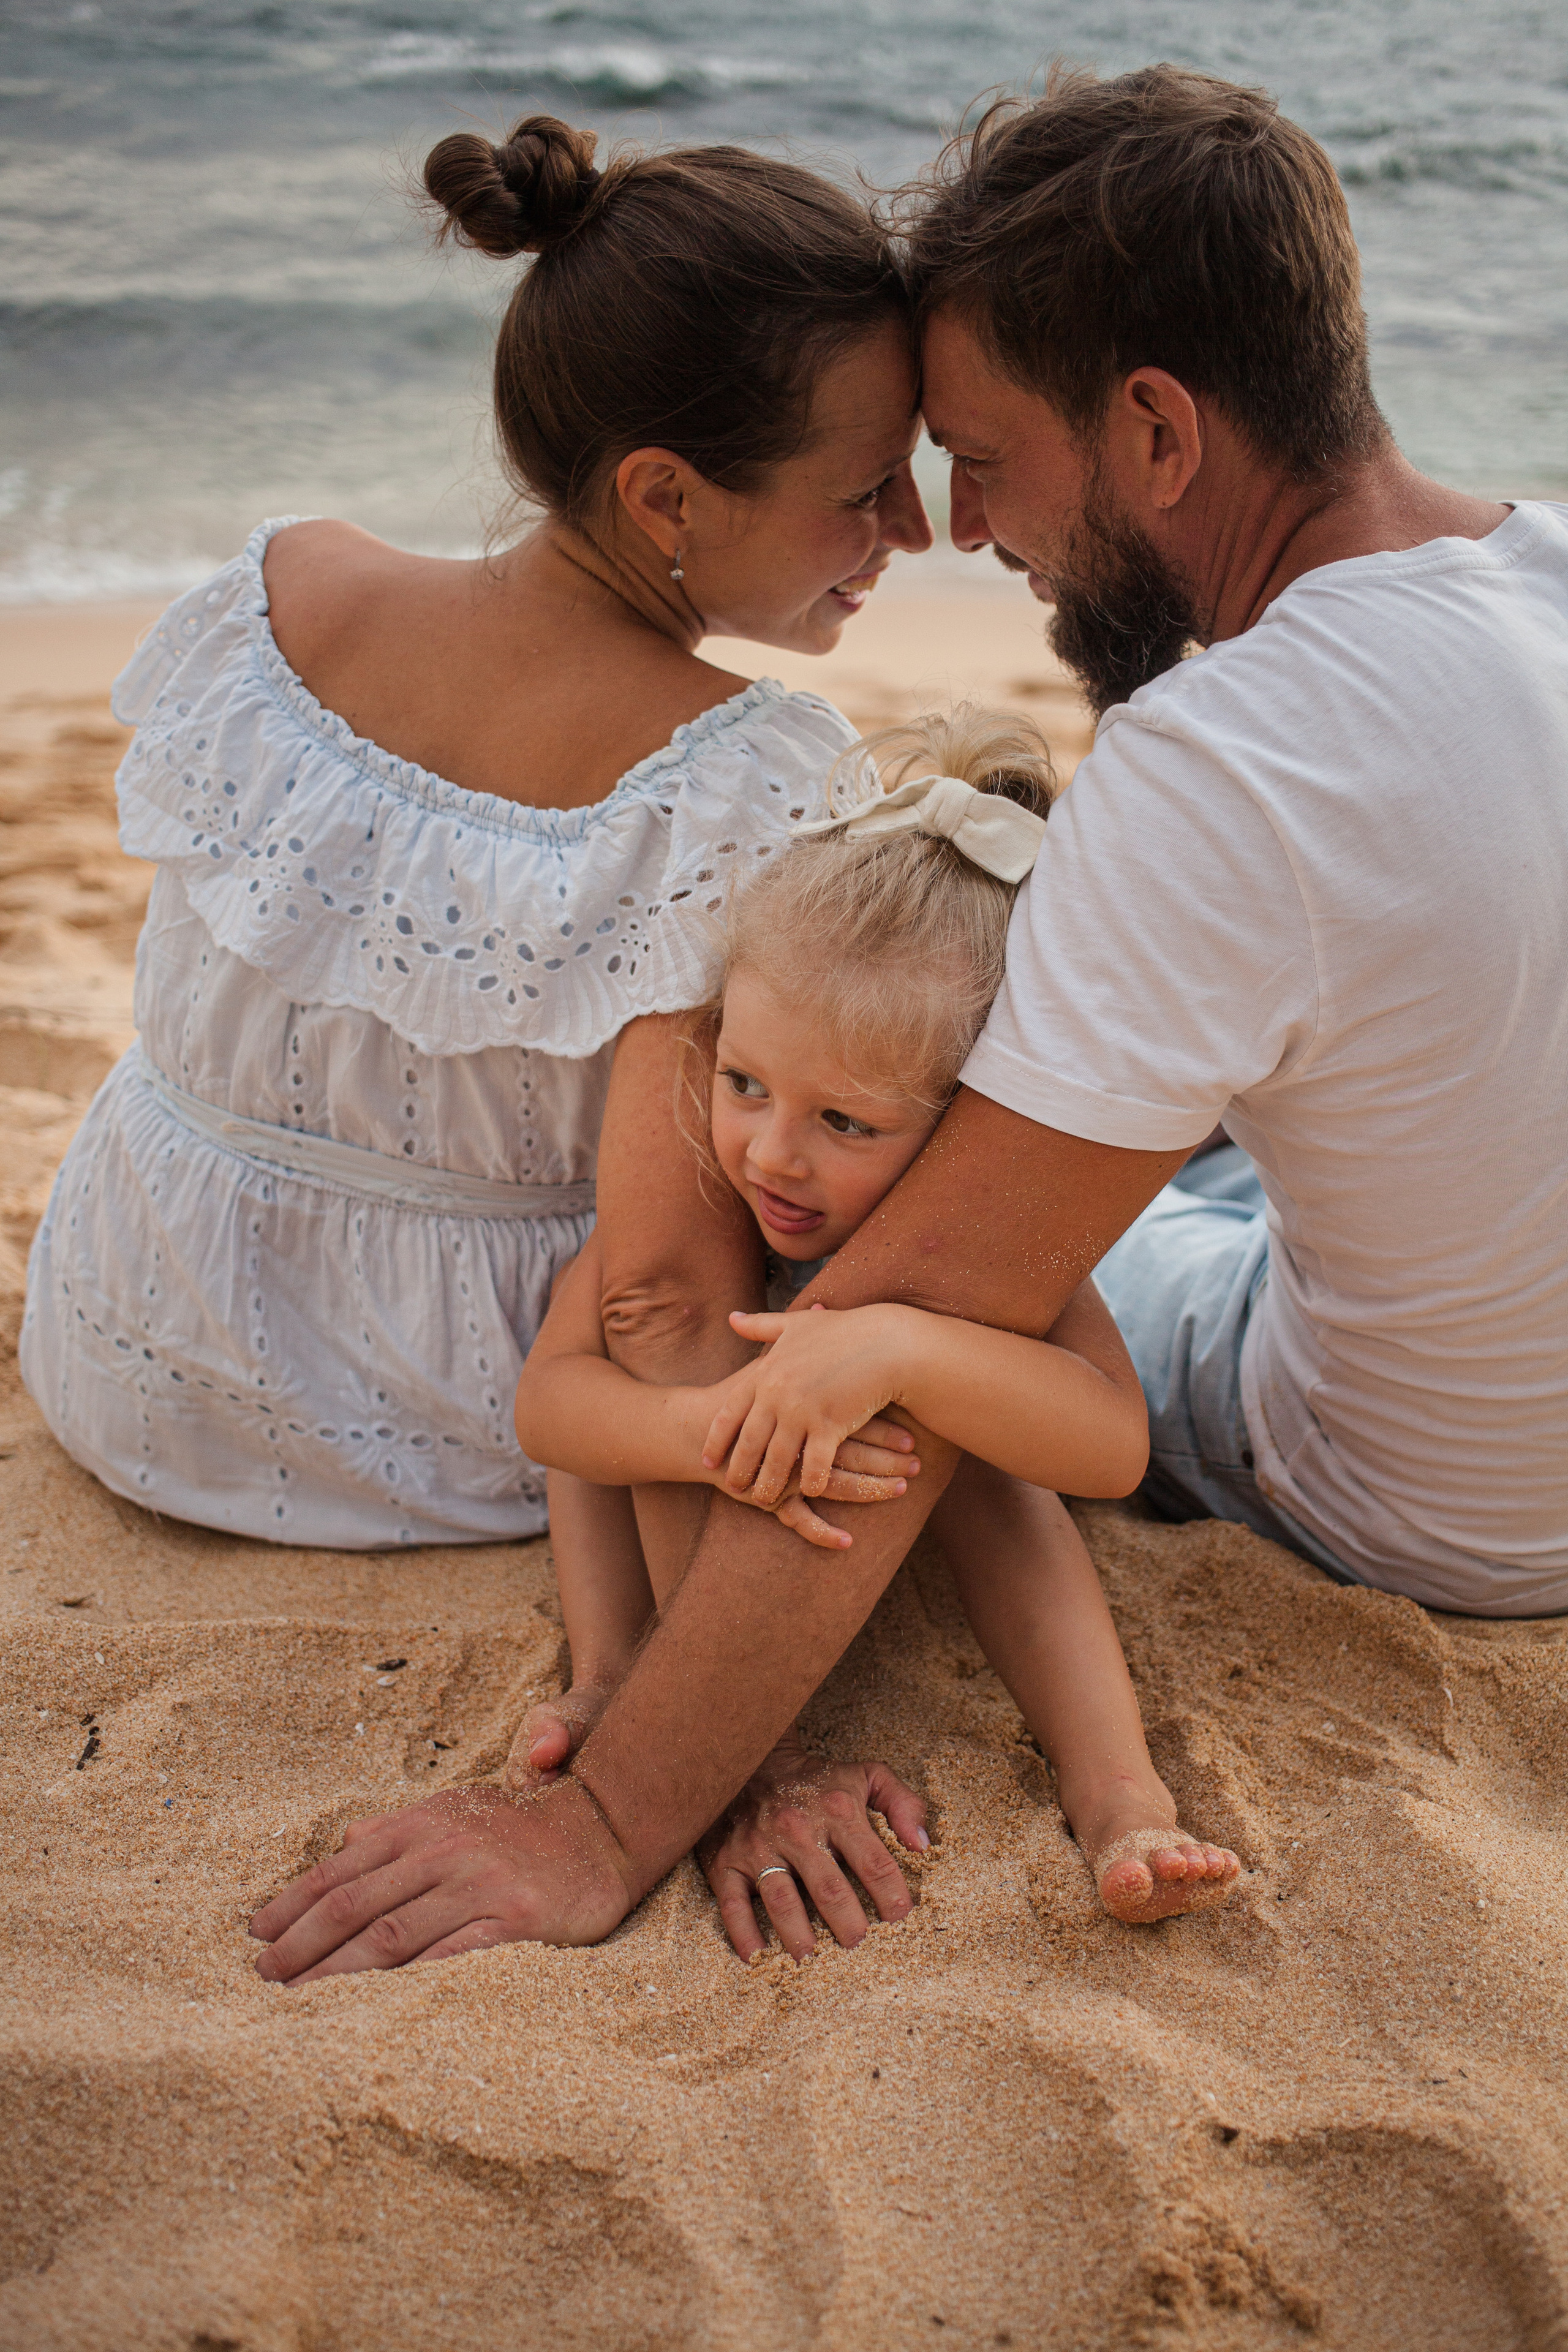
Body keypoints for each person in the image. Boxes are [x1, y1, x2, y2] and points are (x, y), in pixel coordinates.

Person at [250, 62, 1567, 1982]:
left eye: (981, 453)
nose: (957, 527)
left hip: (1431, 1506)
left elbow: (921, 1317)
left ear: (1156, 432)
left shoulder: (1226, 764)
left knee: (905, 1242)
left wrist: (607, 1817)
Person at [20, 113, 933, 1546]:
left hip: (129, 1349)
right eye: (864, 488)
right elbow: (664, 1292)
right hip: (450, 1429)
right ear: (662, 495)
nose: (915, 530)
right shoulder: (748, 779)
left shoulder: (280, 591)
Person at [511, 704, 1240, 1959]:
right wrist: (692, 1430)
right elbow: (550, 1414)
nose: (771, 1155)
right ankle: (615, 1667)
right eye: (744, 1085)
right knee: (626, 1395)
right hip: (721, 1507)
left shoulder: (968, 1250)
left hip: (903, 1506)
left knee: (995, 1493)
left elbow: (1110, 1449)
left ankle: (1118, 1795)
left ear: (965, 1127)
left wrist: (904, 1352)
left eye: (846, 1124)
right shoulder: (707, 1217)